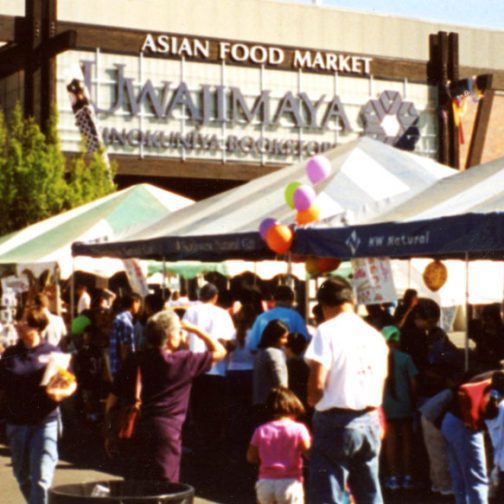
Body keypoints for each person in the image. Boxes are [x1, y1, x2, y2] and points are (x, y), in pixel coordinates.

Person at [105, 309, 227, 482]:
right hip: (167, 433)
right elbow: (220, 351)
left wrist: (109, 432)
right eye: (179, 332)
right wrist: (195, 329)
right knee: (165, 488)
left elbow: (112, 398)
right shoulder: (182, 361)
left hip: (137, 428)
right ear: (170, 337)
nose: (182, 335)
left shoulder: (135, 359)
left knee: (138, 484)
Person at [304, 276, 389, 504]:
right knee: (369, 491)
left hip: (335, 420)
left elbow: (318, 381)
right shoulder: (374, 334)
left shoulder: (326, 330)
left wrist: (312, 400)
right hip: (370, 417)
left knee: (327, 493)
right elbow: (382, 378)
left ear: (325, 305)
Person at [0, 307, 77, 504]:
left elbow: (70, 382)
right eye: (17, 320)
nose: (17, 324)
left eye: (23, 321)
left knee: (42, 478)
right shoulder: (9, 354)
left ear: (36, 326)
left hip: (45, 422)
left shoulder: (52, 353)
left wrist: (61, 393)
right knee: (22, 476)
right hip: (16, 423)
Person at [183, 282, 235, 452]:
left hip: (194, 365)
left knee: (196, 408)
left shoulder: (191, 311)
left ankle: (198, 444)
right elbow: (228, 340)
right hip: (217, 367)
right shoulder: (222, 314)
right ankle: (212, 444)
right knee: (215, 409)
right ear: (215, 297)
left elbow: (183, 338)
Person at [440, 371, 504, 504]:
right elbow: (495, 420)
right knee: (477, 481)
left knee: (460, 479)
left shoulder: (492, 375)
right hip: (465, 427)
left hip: (451, 421)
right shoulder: (499, 383)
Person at [247, 386, 311, 504]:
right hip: (290, 482)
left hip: (265, 482)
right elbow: (308, 453)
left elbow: (251, 457)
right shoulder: (299, 429)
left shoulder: (261, 430)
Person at [380, 325, 418, 491]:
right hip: (404, 404)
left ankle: (394, 477)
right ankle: (408, 476)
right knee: (407, 441)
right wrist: (413, 400)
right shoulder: (405, 358)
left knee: (391, 441)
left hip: (386, 405)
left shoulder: (378, 358)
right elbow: (413, 383)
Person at [248, 285, 309, 352]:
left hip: (265, 359)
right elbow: (304, 340)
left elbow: (252, 346)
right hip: (287, 359)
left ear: (274, 299)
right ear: (290, 300)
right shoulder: (296, 317)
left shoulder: (261, 317)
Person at [253, 319, 289, 425]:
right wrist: (286, 399)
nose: (286, 341)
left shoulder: (261, 352)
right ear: (275, 337)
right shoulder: (274, 353)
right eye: (284, 337)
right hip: (274, 404)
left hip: (259, 401)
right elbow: (280, 380)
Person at [108, 293, 142, 379]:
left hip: (115, 367)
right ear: (134, 302)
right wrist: (127, 370)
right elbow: (124, 348)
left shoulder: (120, 317)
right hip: (122, 369)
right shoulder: (125, 321)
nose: (139, 307)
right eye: (139, 303)